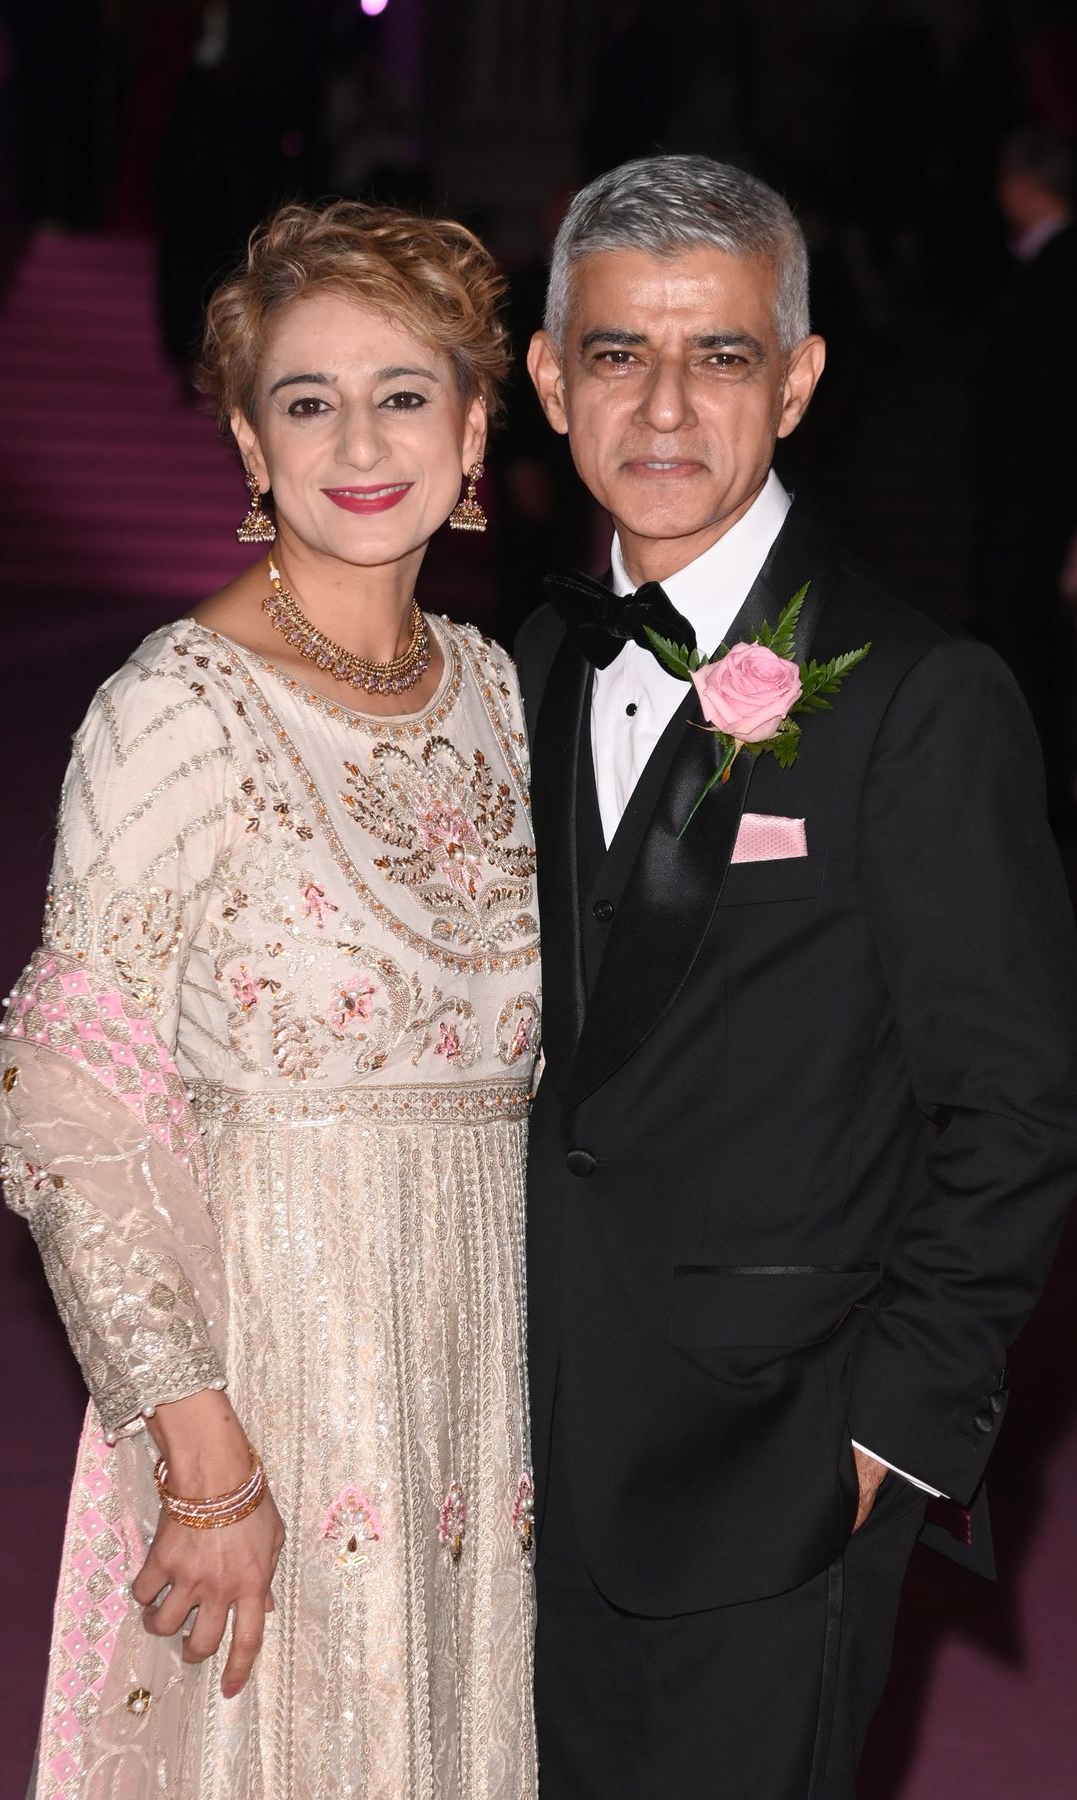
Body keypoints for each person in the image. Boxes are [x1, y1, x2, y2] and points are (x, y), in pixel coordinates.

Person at [516, 153, 1077, 1799]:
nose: (667, 404)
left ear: (801, 378)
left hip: (772, 1476)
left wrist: (883, 1440)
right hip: (530, 1445)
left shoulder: (924, 698)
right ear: (552, 381)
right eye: (619, 352)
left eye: (724, 353)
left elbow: (1020, 1106)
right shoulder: (543, 658)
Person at [0, 200, 540, 1800]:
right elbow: (63, 1101)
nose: (360, 439)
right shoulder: (175, 707)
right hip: (271, 1378)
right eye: (308, 400)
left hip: (475, 1381)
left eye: (404, 392)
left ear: (476, 424)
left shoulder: (500, 692)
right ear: (248, 438)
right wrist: (204, 1455)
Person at [969, 124, 1077, 826]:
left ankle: (1040, 797)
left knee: (1035, 653)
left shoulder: (1062, 273)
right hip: (1033, 508)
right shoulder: (1046, 269)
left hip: (1042, 511)